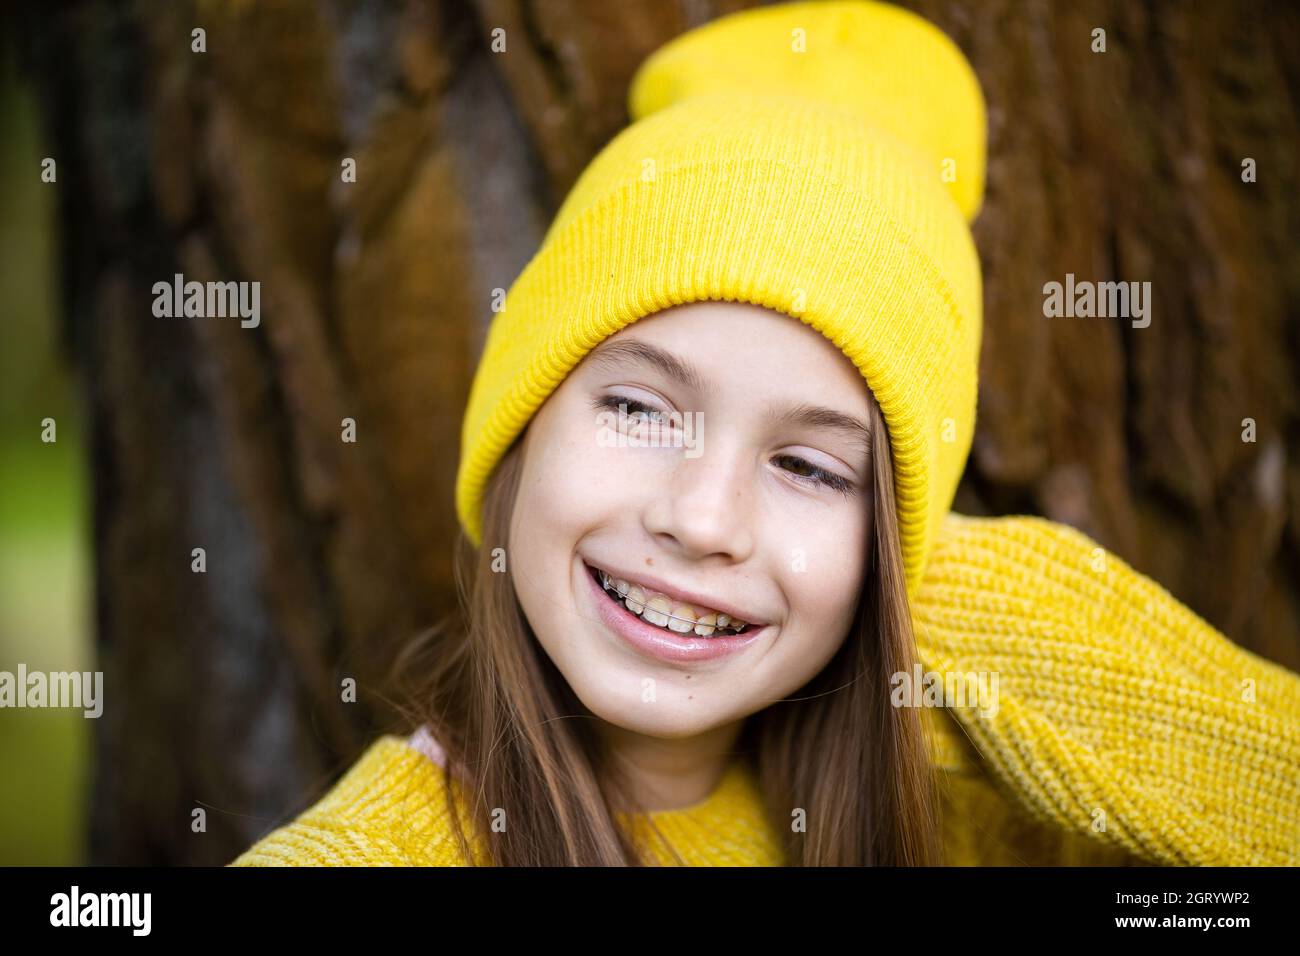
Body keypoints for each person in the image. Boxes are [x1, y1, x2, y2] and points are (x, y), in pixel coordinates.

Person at [229, 0, 1300, 867]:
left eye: (807, 464)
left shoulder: (961, 815)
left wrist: (1020, 623)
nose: (701, 519)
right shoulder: (371, 850)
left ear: (891, 541)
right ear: (521, 424)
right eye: (639, 409)